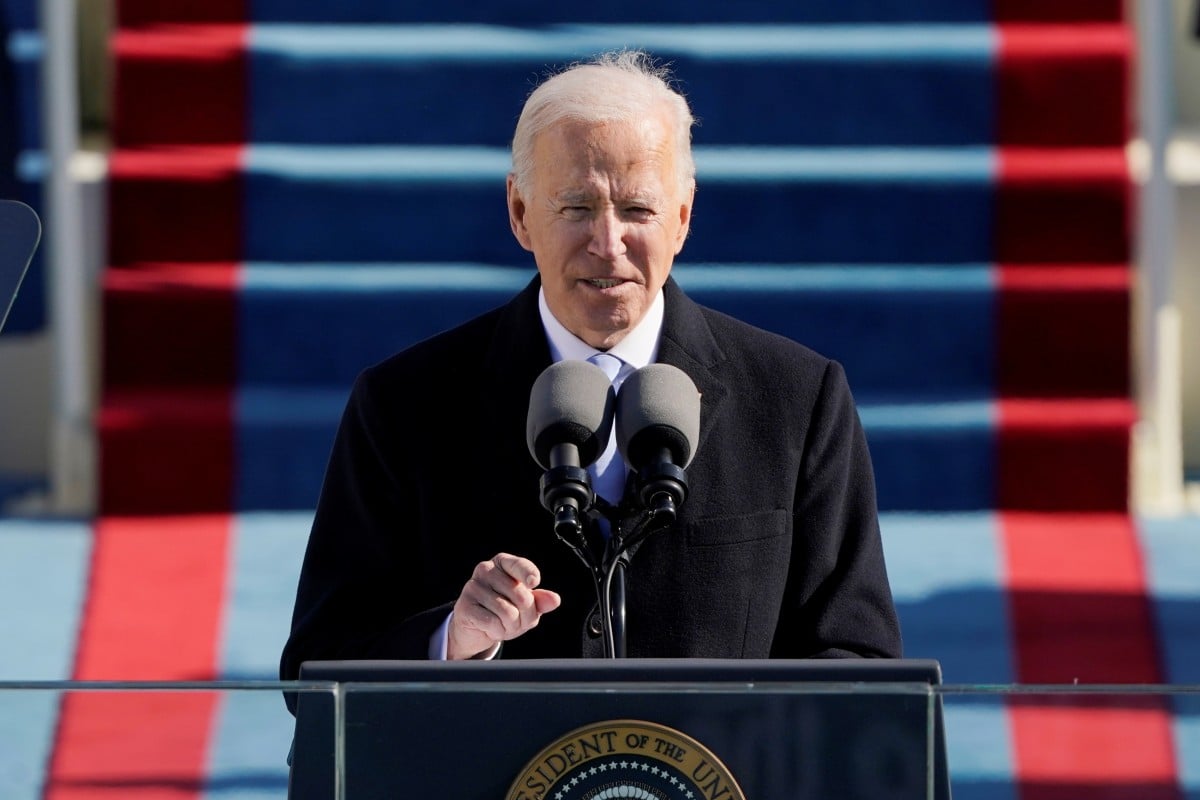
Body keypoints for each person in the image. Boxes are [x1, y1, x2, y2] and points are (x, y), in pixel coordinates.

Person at [280, 51, 901, 694]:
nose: (608, 244)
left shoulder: (799, 400)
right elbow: (318, 669)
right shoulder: (403, 407)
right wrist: (452, 641)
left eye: (637, 210)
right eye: (576, 208)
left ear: (683, 217)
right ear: (520, 213)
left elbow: (859, 662)